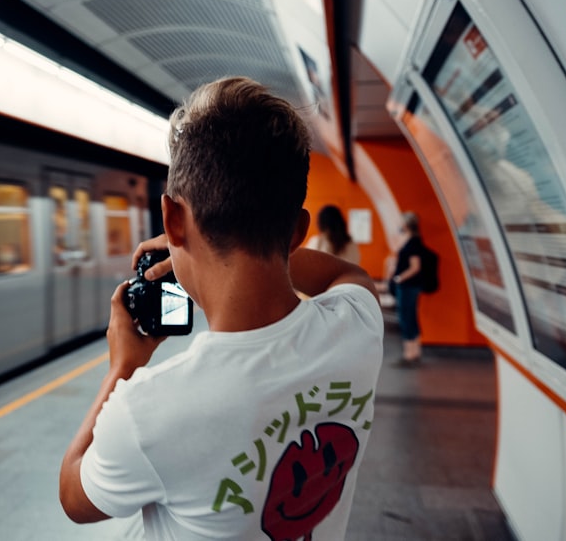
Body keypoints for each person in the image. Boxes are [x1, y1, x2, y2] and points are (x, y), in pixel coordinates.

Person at [59, 77, 384, 540]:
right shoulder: (358, 330)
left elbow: (74, 496)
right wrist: (261, 247)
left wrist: (123, 367)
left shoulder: (149, 408)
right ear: (298, 232)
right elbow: (350, 277)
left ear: (172, 219)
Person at [388, 211, 425, 367]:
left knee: (406, 317)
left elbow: (415, 266)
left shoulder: (413, 243)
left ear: (407, 225)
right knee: (410, 317)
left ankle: (409, 353)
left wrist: (399, 278)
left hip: (408, 286)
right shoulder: (411, 241)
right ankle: (414, 350)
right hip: (409, 287)